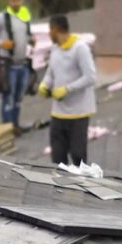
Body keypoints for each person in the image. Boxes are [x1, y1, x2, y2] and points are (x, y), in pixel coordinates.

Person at [38, 14, 97, 166]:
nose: (49, 34)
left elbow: (90, 76)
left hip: (79, 113)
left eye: (50, 30)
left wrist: (67, 89)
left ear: (56, 29)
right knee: (57, 158)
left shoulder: (80, 49)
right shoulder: (55, 50)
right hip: (58, 114)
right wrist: (44, 85)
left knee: (78, 156)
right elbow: (51, 74)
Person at [0, 0, 35, 132]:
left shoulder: (25, 16)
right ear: (8, 1)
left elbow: (25, 35)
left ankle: (16, 124)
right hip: (8, 64)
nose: (16, 3)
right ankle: (7, 127)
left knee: (19, 97)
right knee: (9, 96)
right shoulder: (1, 17)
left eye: (19, 0)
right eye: (13, 1)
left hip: (22, 63)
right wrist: (1, 44)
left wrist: (31, 40)